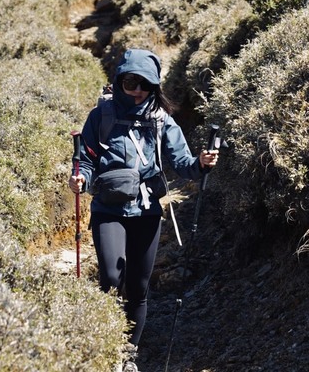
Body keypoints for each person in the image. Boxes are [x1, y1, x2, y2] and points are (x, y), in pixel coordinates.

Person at [68, 48, 218, 371]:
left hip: (147, 211)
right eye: (131, 83)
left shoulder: (161, 120)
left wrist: (200, 165)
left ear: (154, 87)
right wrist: (80, 178)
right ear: (119, 80)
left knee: (137, 287)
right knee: (110, 278)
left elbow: (181, 162)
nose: (137, 91)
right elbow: (87, 160)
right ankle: (104, 344)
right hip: (108, 210)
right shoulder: (102, 116)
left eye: (145, 85)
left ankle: (127, 356)